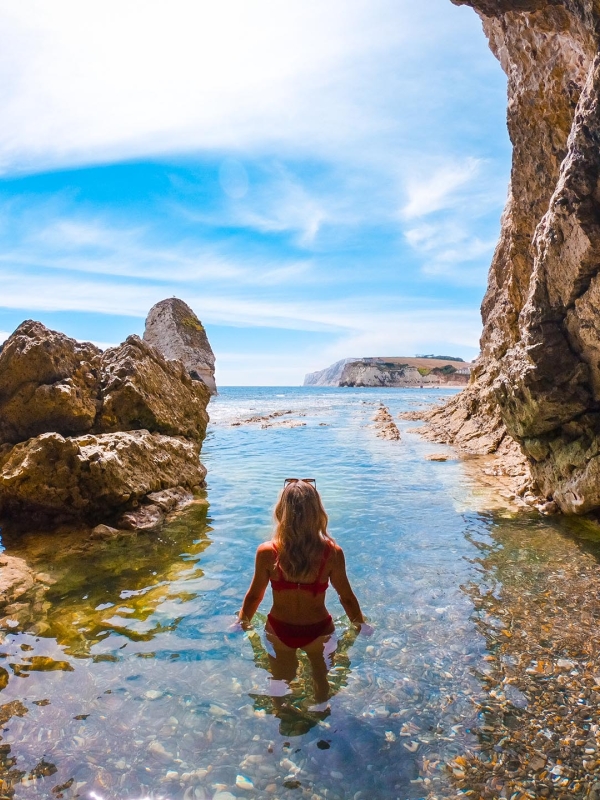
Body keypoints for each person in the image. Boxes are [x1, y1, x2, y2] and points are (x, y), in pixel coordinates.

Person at [237, 478, 369, 706]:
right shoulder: (332, 553)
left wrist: (242, 621)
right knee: (321, 680)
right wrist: (360, 624)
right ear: (317, 513)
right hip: (318, 632)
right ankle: (320, 712)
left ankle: (282, 717)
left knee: (279, 680)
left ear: (282, 512)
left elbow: (254, 596)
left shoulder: (267, 552)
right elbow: (346, 597)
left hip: (279, 631)